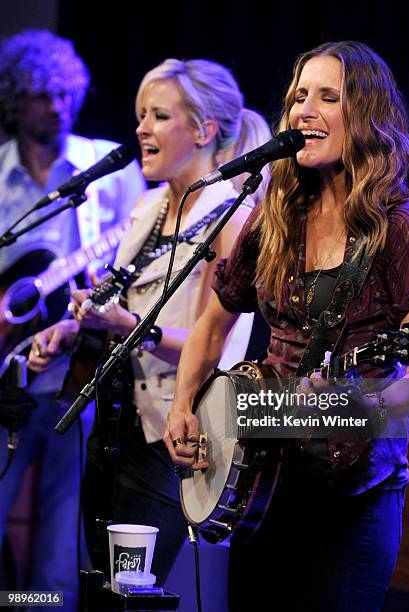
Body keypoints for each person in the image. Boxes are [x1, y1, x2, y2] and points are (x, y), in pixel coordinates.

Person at [165, 41, 409, 611]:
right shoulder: (275, 213)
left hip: (352, 495)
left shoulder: (403, 224)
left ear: (366, 116)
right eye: (299, 96)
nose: (305, 110)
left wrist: (359, 405)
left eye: (329, 97)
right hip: (260, 484)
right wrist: (182, 408)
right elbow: (211, 323)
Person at [28, 57, 271, 586]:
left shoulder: (231, 216)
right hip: (115, 431)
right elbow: (116, 304)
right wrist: (72, 327)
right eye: (141, 114)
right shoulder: (146, 208)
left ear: (204, 130)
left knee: (134, 593)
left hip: (172, 438)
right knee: (99, 585)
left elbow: (216, 349)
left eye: (159, 116)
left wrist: (127, 324)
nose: (141, 127)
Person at [0, 29, 144, 610]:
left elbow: (138, 253)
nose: (56, 106)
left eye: (65, 94)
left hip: (74, 378)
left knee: (60, 548)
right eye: (41, 95)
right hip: (7, 380)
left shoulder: (104, 167)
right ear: (15, 98)